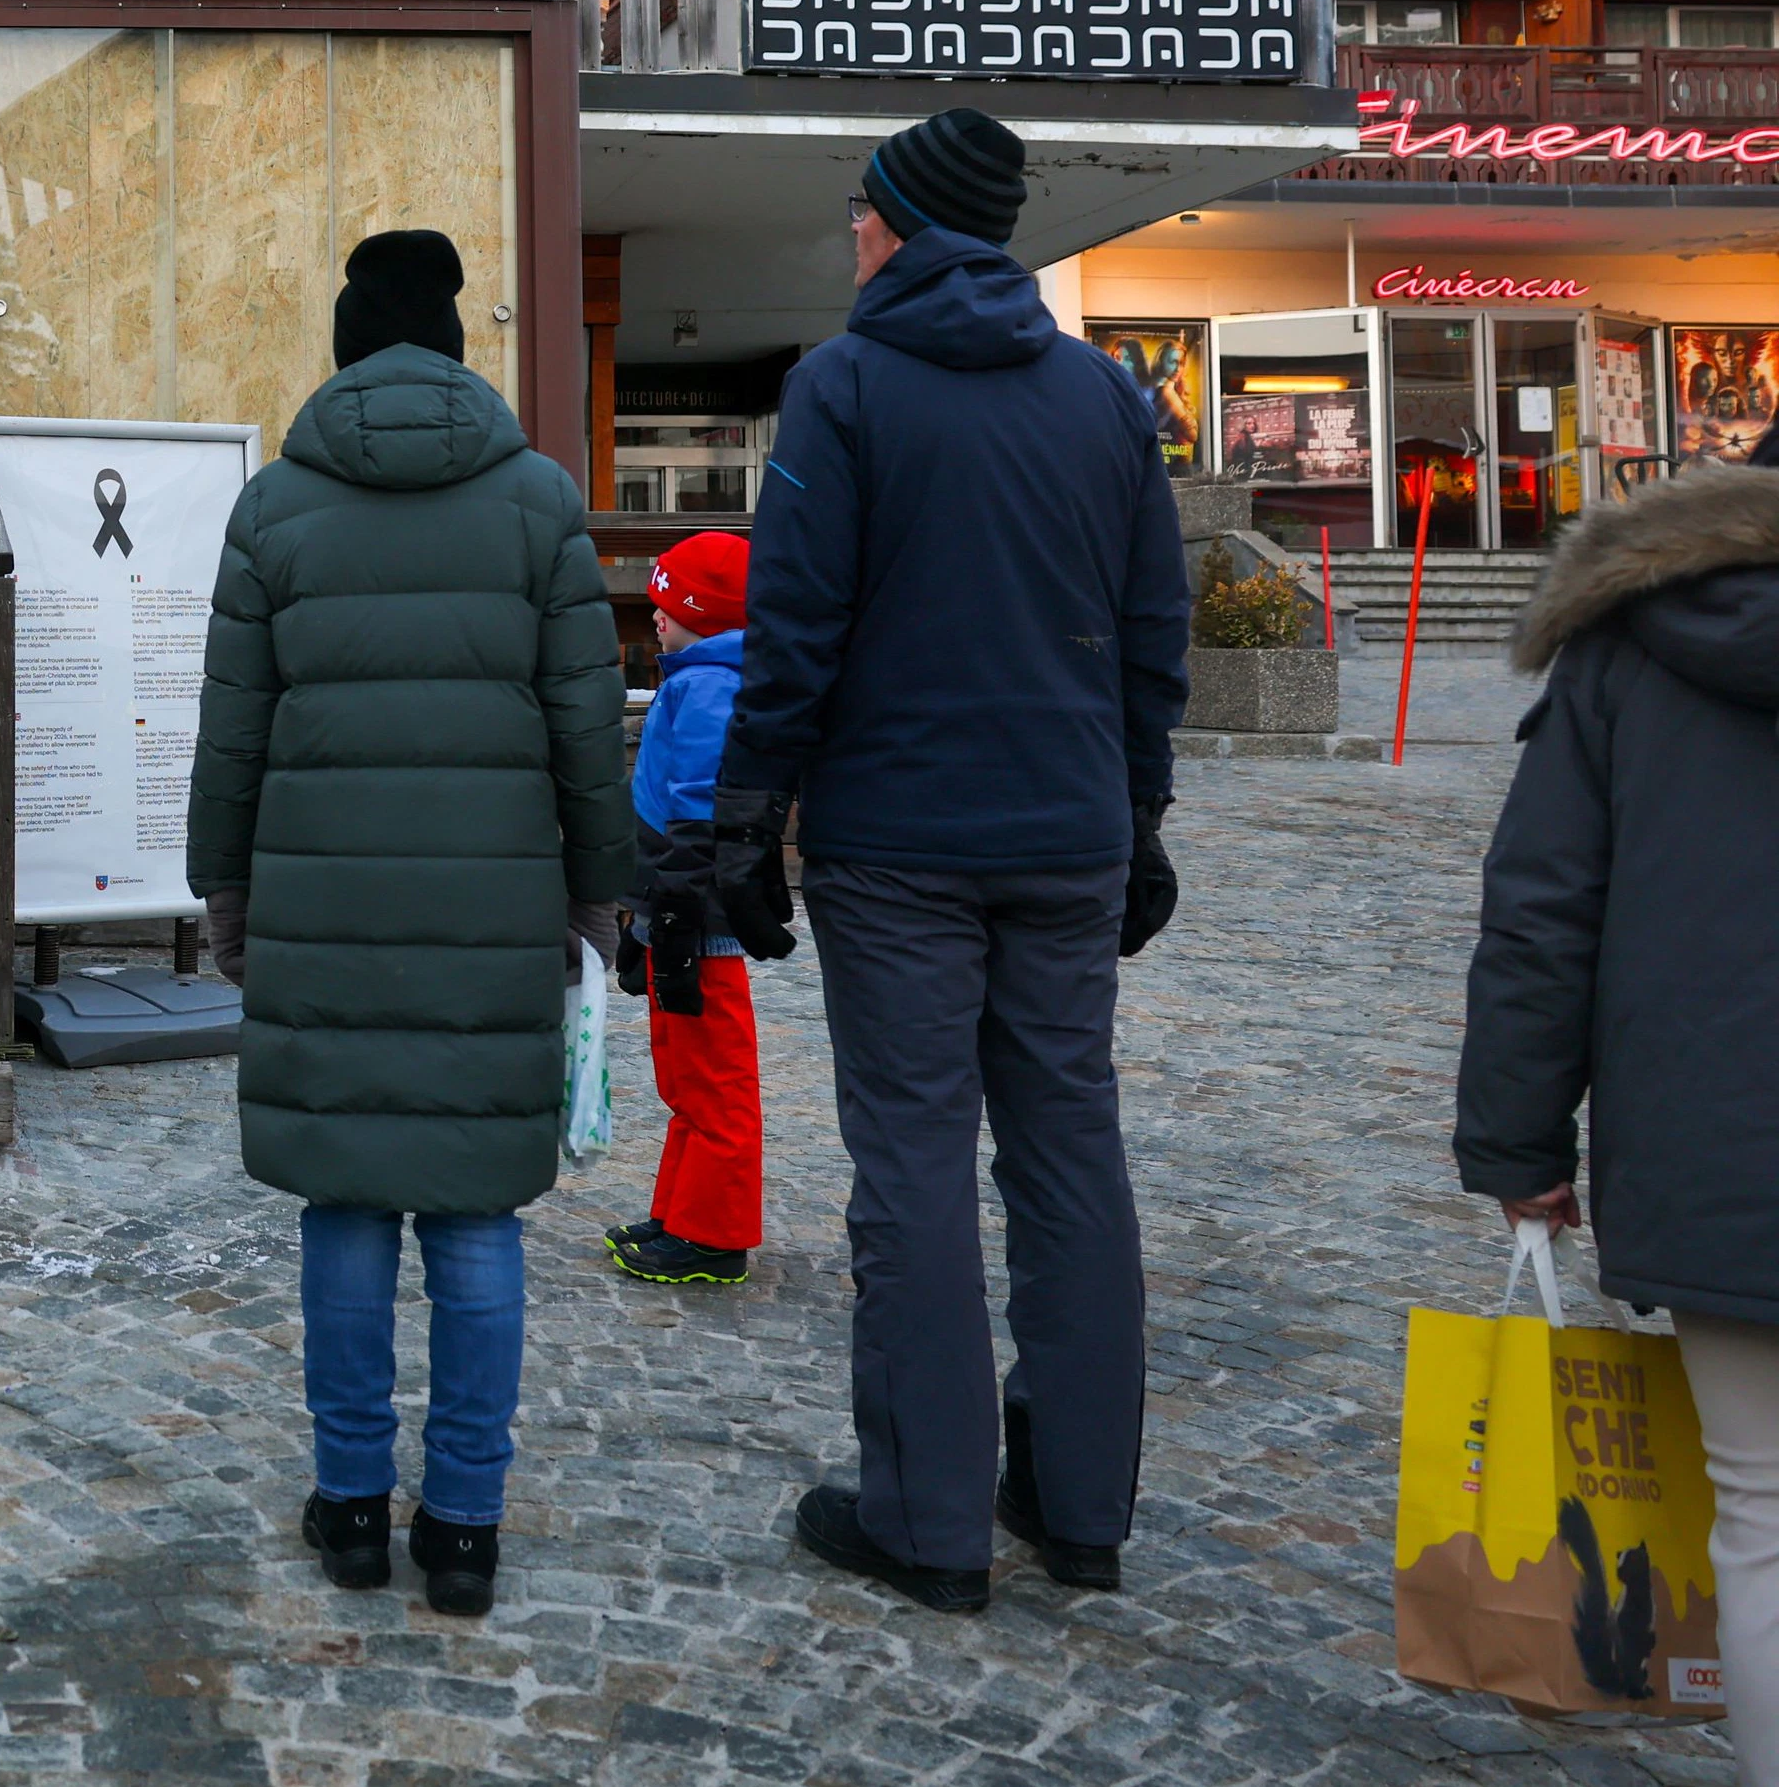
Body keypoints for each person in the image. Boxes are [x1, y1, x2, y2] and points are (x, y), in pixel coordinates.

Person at [706, 107, 1189, 1612]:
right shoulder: (1103, 400)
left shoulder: (842, 388)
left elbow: (795, 634)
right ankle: (1080, 1504)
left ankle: (927, 1520)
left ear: (906, 222)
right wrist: (1141, 815)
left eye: (863, 206)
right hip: (1065, 834)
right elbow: (1153, 633)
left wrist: (743, 822)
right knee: (1070, 1157)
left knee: (912, 1167)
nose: (849, 229)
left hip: (899, 840)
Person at [189, 227, 634, 1617]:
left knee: (346, 1198)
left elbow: (232, 730)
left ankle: (349, 1507)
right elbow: (584, 721)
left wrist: (227, 892)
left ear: (342, 345)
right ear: (454, 345)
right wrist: (598, 888)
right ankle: (464, 1523)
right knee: (476, 1214)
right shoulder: (540, 501)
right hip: (493, 904)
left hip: (324, 900)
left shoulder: (274, 509)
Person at [1459, 450, 1779, 1785]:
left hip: (1723, 1139)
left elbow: (1543, 912)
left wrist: (1520, 1144)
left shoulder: (1638, 636)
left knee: (1762, 1514)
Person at [608, 530, 759, 1287]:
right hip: (675, 908)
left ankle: (715, 1234)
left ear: (701, 611)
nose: (655, 617)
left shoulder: (708, 687)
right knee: (685, 1072)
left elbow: (698, 806)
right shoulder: (695, 679)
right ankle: (682, 1213)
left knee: (712, 1075)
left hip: (695, 918)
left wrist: (669, 912)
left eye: (667, 604)